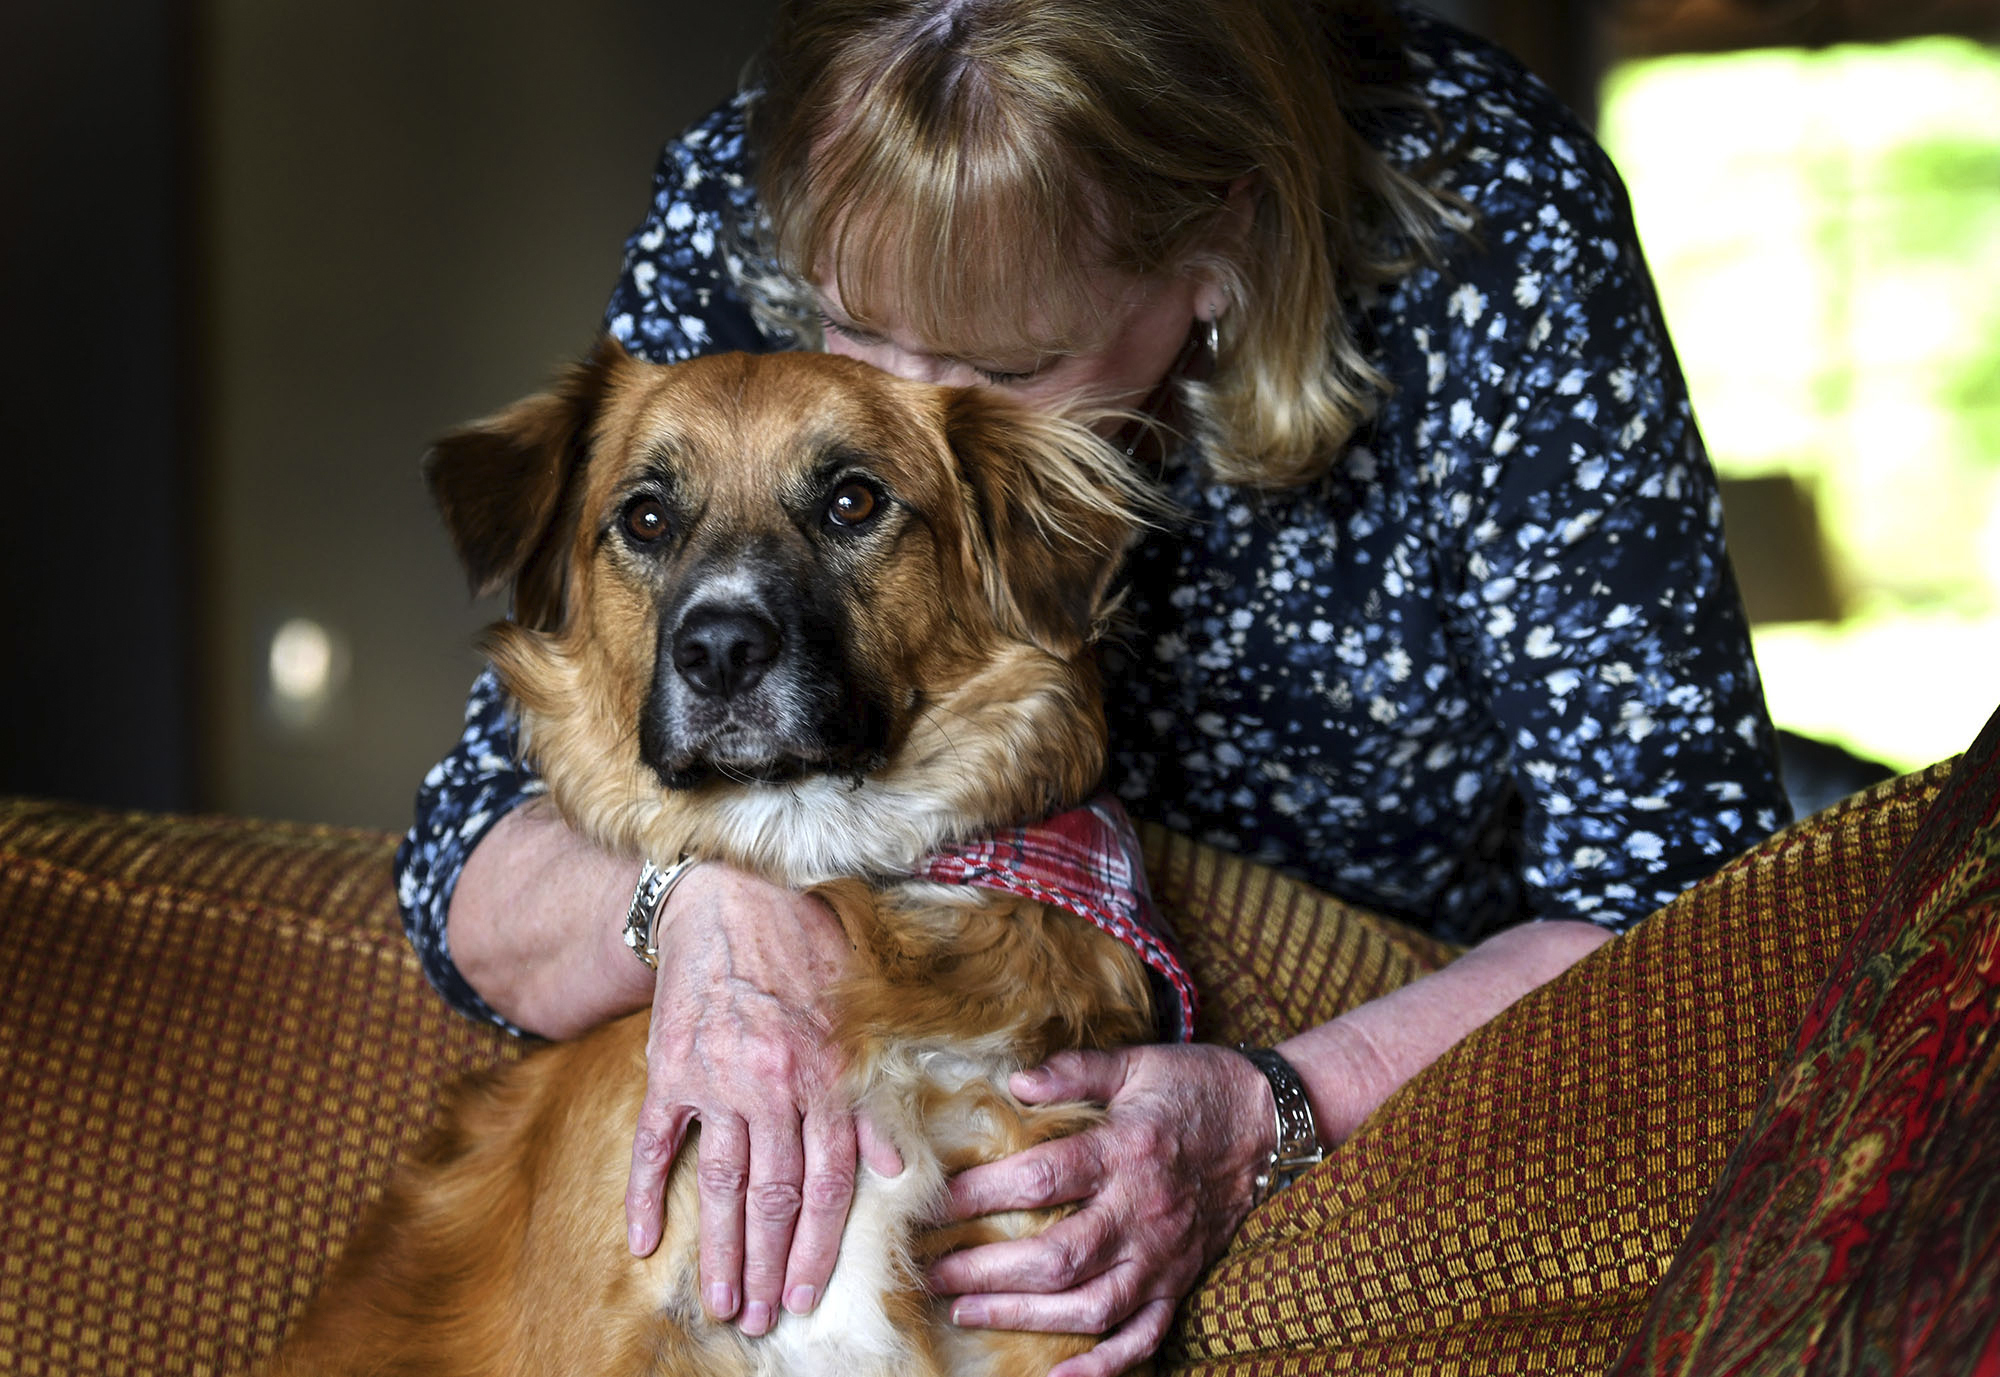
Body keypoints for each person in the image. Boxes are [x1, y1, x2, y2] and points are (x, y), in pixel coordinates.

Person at [394, 1, 1793, 1372]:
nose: (912, 410)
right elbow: (469, 848)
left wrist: (1281, 1106)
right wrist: (685, 901)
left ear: (1222, 247)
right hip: (907, 954)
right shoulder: (757, 186)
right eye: (851, 323)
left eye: (1004, 361)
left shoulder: (1494, 229)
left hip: (1388, 1046)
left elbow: (1695, 912)